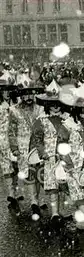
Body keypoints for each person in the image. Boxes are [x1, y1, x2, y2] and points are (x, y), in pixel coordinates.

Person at [58, 83, 84, 248]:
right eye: (80, 108)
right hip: (74, 167)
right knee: (78, 195)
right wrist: (69, 166)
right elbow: (62, 148)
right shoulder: (67, 125)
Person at [33, 79, 70, 227]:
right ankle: (55, 211)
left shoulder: (67, 119)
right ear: (47, 105)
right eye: (52, 104)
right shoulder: (40, 120)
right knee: (52, 185)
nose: (55, 107)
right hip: (49, 156)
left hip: (64, 155)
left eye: (58, 104)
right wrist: (43, 153)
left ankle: (65, 209)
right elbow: (37, 139)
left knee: (65, 182)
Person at [9, 72, 45, 218]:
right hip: (23, 147)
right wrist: (14, 148)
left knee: (39, 173)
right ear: (21, 95)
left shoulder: (40, 108)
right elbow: (11, 132)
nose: (28, 97)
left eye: (31, 94)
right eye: (25, 94)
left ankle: (37, 197)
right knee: (29, 175)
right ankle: (34, 201)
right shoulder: (14, 110)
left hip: (38, 146)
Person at [0, 70, 22, 213]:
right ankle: (11, 195)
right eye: (3, 90)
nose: (7, 93)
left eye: (9, 90)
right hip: (2, 139)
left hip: (15, 138)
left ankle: (13, 191)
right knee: (7, 167)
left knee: (16, 167)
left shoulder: (17, 103)